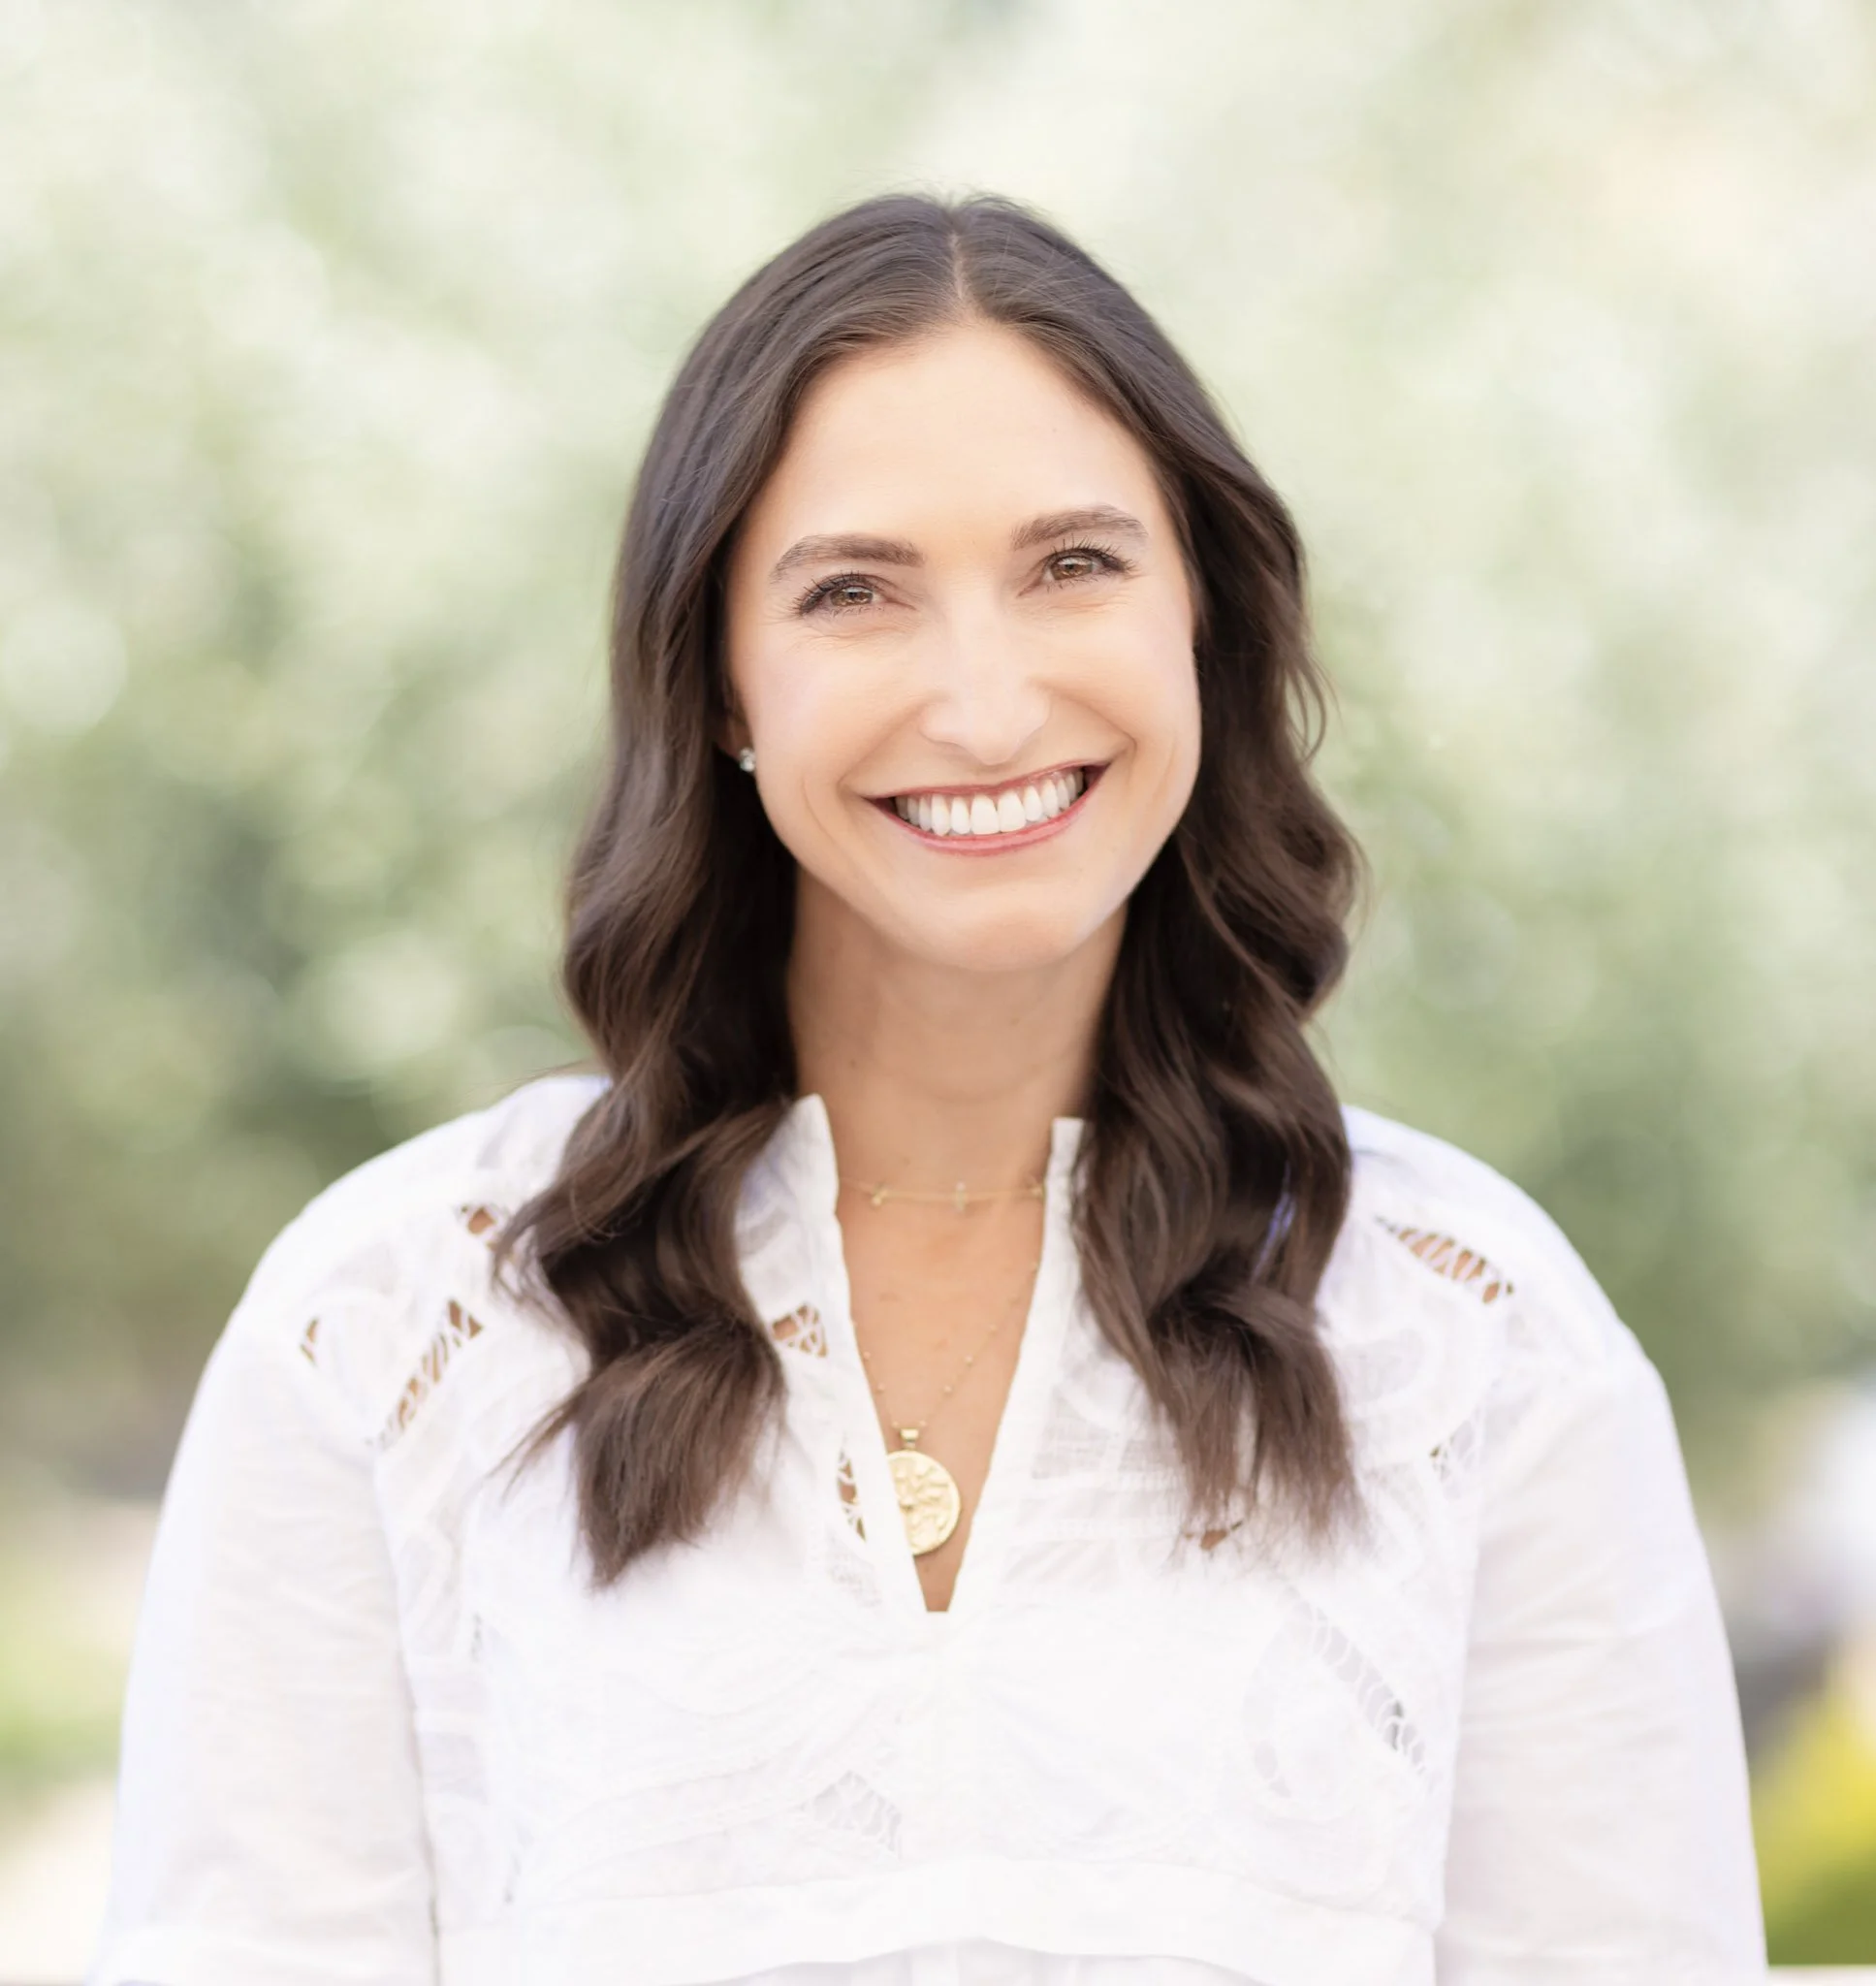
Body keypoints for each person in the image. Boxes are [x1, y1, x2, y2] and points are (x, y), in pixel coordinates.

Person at [87, 192, 1766, 1985]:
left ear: (1201, 618)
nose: (980, 704)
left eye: (1072, 567)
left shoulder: (1474, 1336)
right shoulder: (395, 1319)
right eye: (853, 593)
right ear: (720, 680)